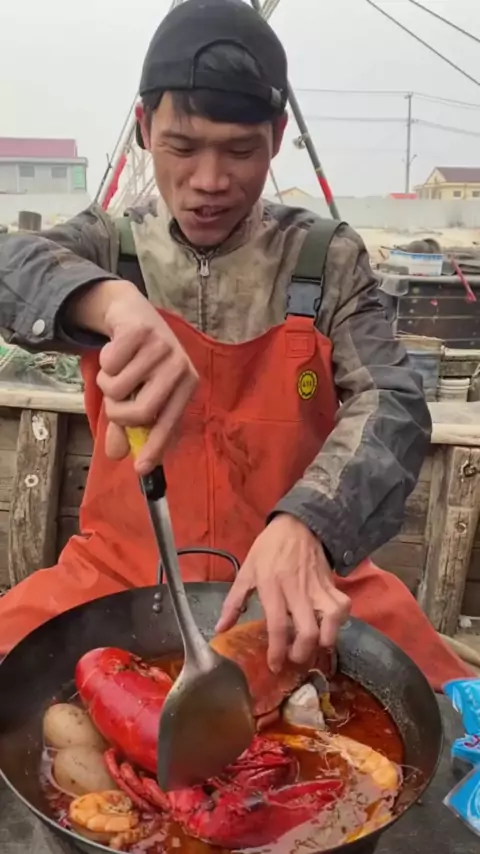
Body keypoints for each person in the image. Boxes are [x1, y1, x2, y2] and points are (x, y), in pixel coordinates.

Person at [0, 0, 472, 687]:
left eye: (240, 150)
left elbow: (394, 401)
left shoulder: (327, 258)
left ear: (276, 138)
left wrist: (312, 524)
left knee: (449, 713)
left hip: (302, 580)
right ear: (144, 129)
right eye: (182, 146)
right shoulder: (109, 245)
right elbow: (11, 267)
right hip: (123, 574)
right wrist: (109, 302)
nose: (210, 180)